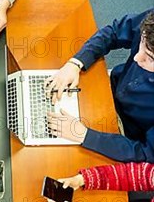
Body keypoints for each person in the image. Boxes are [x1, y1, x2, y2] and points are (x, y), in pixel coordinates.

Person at [46, 9, 154, 162]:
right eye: (141, 44)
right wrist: (76, 63)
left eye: (150, 58)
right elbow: (115, 32)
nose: (137, 57)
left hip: (128, 136)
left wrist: (85, 135)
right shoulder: (151, 25)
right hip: (112, 88)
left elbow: (144, 154)